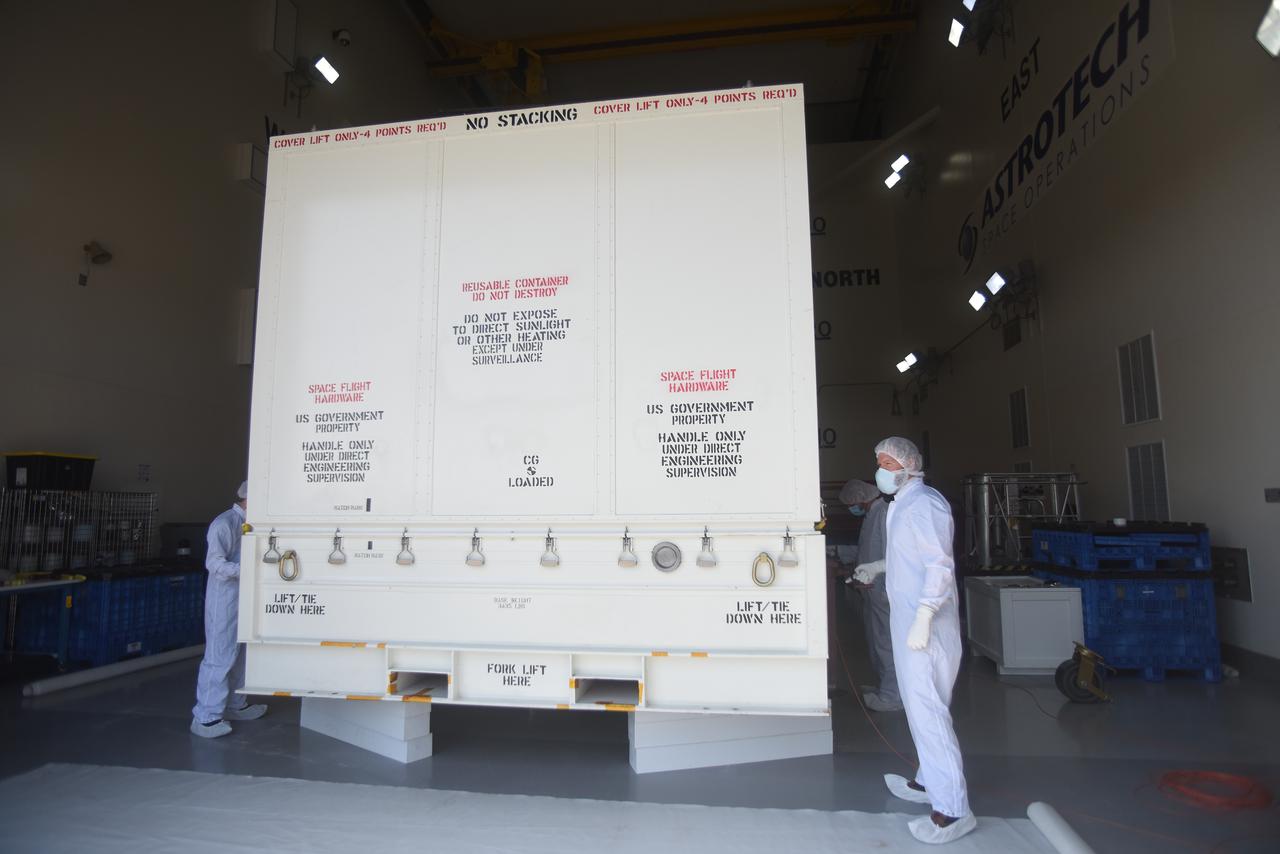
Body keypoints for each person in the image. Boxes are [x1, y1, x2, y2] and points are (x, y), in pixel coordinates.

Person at [874, 437, 975, 844]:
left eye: (886, 462)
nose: (879, 470)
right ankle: (925, 782)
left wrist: (925, 615)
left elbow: (939, 564)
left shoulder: (925, 503)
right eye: (878, 462)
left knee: (929, 712)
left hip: (926, 628)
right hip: (911, 623)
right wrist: (876, 567)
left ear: (908, 465)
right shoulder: (902, 504)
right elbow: (910, 558)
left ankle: (952, 809)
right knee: (923, 709)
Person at [190, 481, 267, 738]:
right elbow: (214, 563)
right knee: (219, 655)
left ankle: (236, 704)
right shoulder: (224, 524)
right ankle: (206, 716)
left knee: (241, 653)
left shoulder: (252, 525)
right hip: (225, 600)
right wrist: (246, 571)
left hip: (245, 598)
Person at [839, 479, 901, 713]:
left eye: (851, 503)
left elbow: (889, 556)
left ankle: (892, 695)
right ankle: (882, 685)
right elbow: (867, 549)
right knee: (876, 640)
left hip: (882, 590)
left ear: (860, 499)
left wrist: (880, 583)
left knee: (886, 642)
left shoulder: (884, 514)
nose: (850, 508)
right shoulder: (872, 515)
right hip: (871, 589)